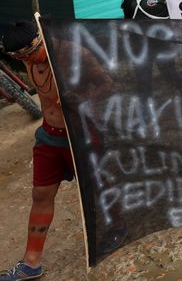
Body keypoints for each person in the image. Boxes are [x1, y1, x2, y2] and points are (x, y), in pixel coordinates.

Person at [0, 22, 111, 281]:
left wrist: (81, 98)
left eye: (29, 54)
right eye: (20, 57)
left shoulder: (75, 54)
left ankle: (117, 227)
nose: (26, 60)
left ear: (39, 41)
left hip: (81, 135)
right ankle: (31, 263)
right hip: (50, 135)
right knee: (40, 194)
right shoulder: (28, 59)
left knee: (98, 189)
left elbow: (107, 84)